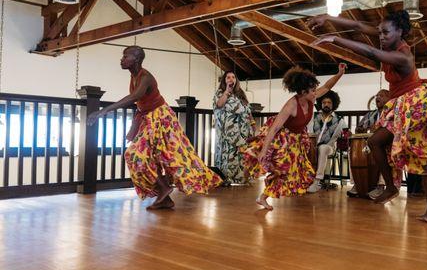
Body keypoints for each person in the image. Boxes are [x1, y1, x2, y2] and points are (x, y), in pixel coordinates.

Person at [309, 12, 427, 224]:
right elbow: (359, 24)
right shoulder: (388, 38)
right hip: (400, 104)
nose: (381, 36)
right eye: (380, 32)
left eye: (385, 33)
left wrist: (335, 39)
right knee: (375, 141)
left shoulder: (403, 56)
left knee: (422, 154)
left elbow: (371, 52)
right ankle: (394, 189)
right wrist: (327, 18)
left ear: (399, 32)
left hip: (417, 105)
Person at [87, 46, 221, 210]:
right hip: (148, 119)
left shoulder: (146, 77)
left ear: (136, 59)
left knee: (153, 155)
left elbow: (135, 97)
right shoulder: (134, 76)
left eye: (125, 56)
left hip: (161, 118)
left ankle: (165, 188)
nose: (122, 59)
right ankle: (164, 195)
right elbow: (139, 101)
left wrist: (103, 111)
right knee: (138, 156)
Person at [242, 64, 346, 210]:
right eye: (313, 90)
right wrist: (264, 150)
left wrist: (340, 73)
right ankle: (253, 185)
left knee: (294, 170)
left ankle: (262, 197)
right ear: (303, 91)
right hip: (282, 138)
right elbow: (274, 129)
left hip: (297, 138)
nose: (316, 92)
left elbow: (328, 86)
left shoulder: (311, 98)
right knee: (281, 169)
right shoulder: (291, 105)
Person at [213, 71, 255, 185]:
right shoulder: (220, 92)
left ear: (236, 80)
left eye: (233, 77)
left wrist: (253, 124)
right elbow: (219, 105)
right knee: (228, 155)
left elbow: (248, 110)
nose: (231, 79)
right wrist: (227, 92)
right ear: (224, 80)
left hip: (243, 131)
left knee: (241, 155)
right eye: (228, 77)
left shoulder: (241, 94)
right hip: (228, 132)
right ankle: (226, 178)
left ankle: (241, 178)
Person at [347, 89, 390, 198]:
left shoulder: (391, 113)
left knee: (384, 152)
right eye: (377, 96)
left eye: (381, 95)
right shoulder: (370, 115)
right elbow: (358, 128)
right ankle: (358, 184)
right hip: (368, 144)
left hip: (386, 144)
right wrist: (360, 129)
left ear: (389, 99)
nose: (377, 98)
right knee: (351, 152)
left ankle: (381, 186)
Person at [307, 90, 347, 192]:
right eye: (324, 103)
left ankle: (317, 181)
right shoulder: (314, 118)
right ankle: (302, 179)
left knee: (323, 148)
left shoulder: (339, 120)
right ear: (321, 104)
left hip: (329, 147)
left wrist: (347, 134)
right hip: (313, 146)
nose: (326, 105)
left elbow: (346, 134)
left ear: (333, 104)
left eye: (329, 103)